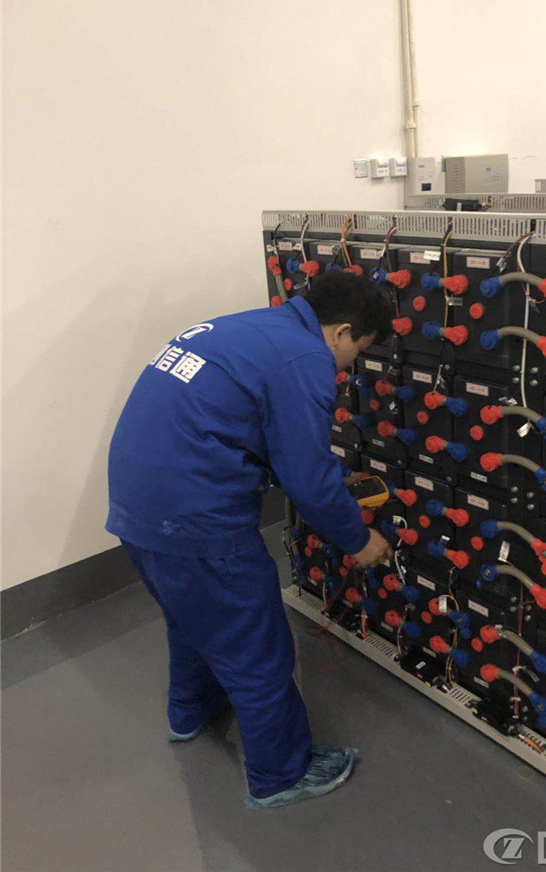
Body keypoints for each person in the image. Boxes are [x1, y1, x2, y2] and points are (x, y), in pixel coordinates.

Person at [106, 270, 394, 809]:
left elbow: (250, 430)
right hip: (196, 519)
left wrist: (326, 478)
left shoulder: (249, 327)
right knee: (256, 646)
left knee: (192, 618)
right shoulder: (303, 358)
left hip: (138, 509)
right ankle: (281, 775)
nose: (350, 367)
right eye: (357, 351)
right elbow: (306, 479)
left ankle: (191, 712)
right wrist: (358, 540)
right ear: (341, 331)